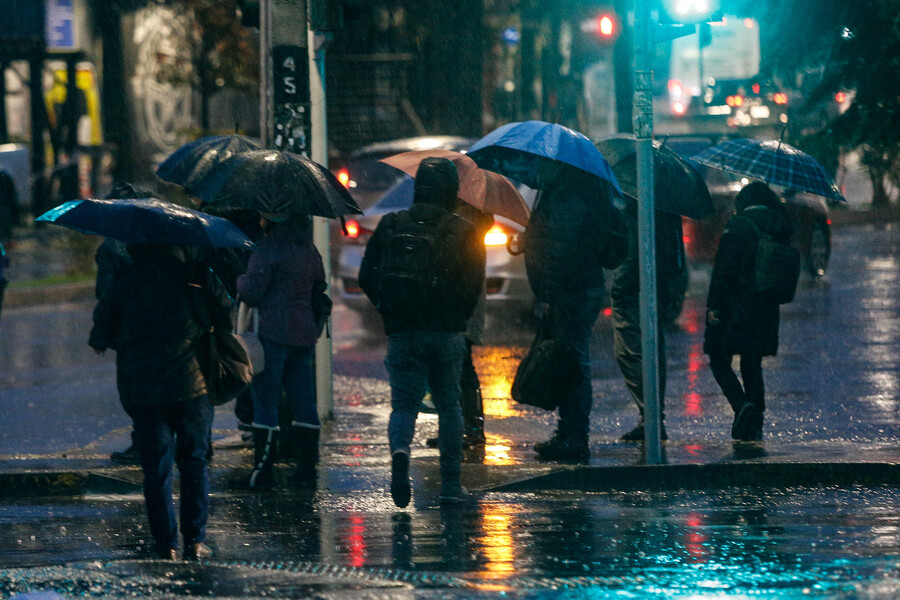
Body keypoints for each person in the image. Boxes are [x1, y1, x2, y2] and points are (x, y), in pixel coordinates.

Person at [89, 243, 233, 561]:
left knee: (156, 468)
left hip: (144, 388)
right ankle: (195, 540)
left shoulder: (125, 281)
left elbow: (102, 331)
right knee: (194, 463)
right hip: (192, 384)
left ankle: (166, 544)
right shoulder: (196, 274)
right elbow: (226, 312)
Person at [359, 157, 485, 507]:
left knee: (403, 405)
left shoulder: (392, 223)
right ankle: (450, 483)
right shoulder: (463, 229)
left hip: (403, 331)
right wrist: (454, 316)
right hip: (446, 332)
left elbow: (367, 276)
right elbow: (473, 285)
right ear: (450, 190)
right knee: (449, 404)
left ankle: (401, 452)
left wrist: (391, 311)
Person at [525, 161, 627, 461]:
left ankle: (575, 436)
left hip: (571, 291)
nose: (540, 170)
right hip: (581, 286)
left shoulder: (568, 197)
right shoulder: (581, 192)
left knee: (573, 362)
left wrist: (546, 295)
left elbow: (560, 249)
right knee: (570, 360)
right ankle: (569, 431)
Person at [237, 214, 326, 490]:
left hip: (272, 335)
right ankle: (307, 469)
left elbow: (251, 293)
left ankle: (262, 471)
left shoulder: (268, 249)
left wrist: (241, 279)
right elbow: (319, 286)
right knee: (304, 401)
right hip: (304, 335)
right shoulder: (309, 249)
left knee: (265, 401)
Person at [704, 181, 794, 442]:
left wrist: (715, 307)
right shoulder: (779, 226)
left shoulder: (739, 225)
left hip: (736, 307)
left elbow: (724, 270)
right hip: (766, 307)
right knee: (752, 363)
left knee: (718, 358)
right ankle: (756, 422)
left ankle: (743, 406)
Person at [610, 197, 686, 442]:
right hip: (658, 287)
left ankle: (650, 417)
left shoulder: (637, 208)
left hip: (634, 291)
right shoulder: (667, 207)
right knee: (653, 352)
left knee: (631, 352)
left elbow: (632, 255)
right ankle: (652, 417)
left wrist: (620, 288)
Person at [426, 201, 493, 450]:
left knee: (462, 366)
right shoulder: (463, 219)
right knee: (453, 366)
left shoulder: (468, 224)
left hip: (463, 305)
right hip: (458, 303)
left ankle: (472, 428)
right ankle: (461, 427)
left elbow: (461, 270)